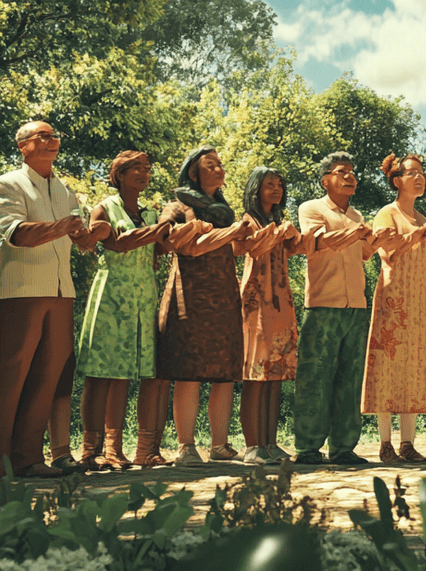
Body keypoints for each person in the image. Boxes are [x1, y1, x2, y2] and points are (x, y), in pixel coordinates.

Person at [0, 121, 108, 477]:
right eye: (42, 136)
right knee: (10, 376)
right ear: (22, 146)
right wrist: (62, 226)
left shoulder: (65, 192)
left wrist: (90, 237)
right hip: (20, 290)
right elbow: (15, 234)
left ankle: (28, 459)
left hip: (62, 291)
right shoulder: (8, 184)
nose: (51, 141)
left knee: (48, 376)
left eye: (54, 136)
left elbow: (78, 240)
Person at [156, 146, 262, 466]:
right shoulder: (179, 205)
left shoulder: (225, 211)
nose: (219, 169)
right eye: (210, 164)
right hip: (189, 295)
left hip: (224, 293)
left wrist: (253, 237)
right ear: (193, 172)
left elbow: (237, 248)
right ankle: (186, 446)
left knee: (225, 373)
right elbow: (174, 243)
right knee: (189, 371)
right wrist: (228, 232)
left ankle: (220, 445)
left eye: (220, 164)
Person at [77, 151, 176, 470]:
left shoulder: (151, 213)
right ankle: (90, 451)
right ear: (119, 174)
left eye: (147, 168)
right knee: (99, 374)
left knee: (123, 374)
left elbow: (161, 249)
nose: (144, 173)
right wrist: (159, 230)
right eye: (136, 168)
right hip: (111, 293)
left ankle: (114, 449)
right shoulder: (104, 207)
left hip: (143, 295)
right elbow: (117, 244)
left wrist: (177, 232)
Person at [363, 154, 426, 463]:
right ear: (397, 181)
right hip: (393, 297)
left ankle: (408, 443)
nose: (419, 178)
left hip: (419, 299)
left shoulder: (421, 216)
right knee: (387, 366)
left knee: (414, 366)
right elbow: (386, 251)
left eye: (421, 173)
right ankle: (385, 443)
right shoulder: (387, 213)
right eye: (412, 173)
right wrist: (415, 237)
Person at [294, 151, 385, 466]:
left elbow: (363, 254)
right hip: (322, 305)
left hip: (356, 305)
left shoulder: (357, 216)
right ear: (325, 180)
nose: (350, 177)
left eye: (352, 172)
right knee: (315, 377)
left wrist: (377, 240)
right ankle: (307, 448)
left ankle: (344, 447)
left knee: (351, 378)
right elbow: (320, 241)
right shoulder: (311, 208)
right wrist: (356, 234)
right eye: (342, 172)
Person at [234, 167, 307, 466]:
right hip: (256, 303)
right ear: (256, 189)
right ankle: (252, 445)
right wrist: (276, 233)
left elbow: (296, 248)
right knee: (255, 375)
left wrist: (294, 234)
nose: (276, 189)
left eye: (279, 185)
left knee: (275, 375)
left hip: (281, 302)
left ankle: (270, 442)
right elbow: (244, 249)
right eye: (269, 184)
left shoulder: (277, 221)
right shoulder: (247, 221)